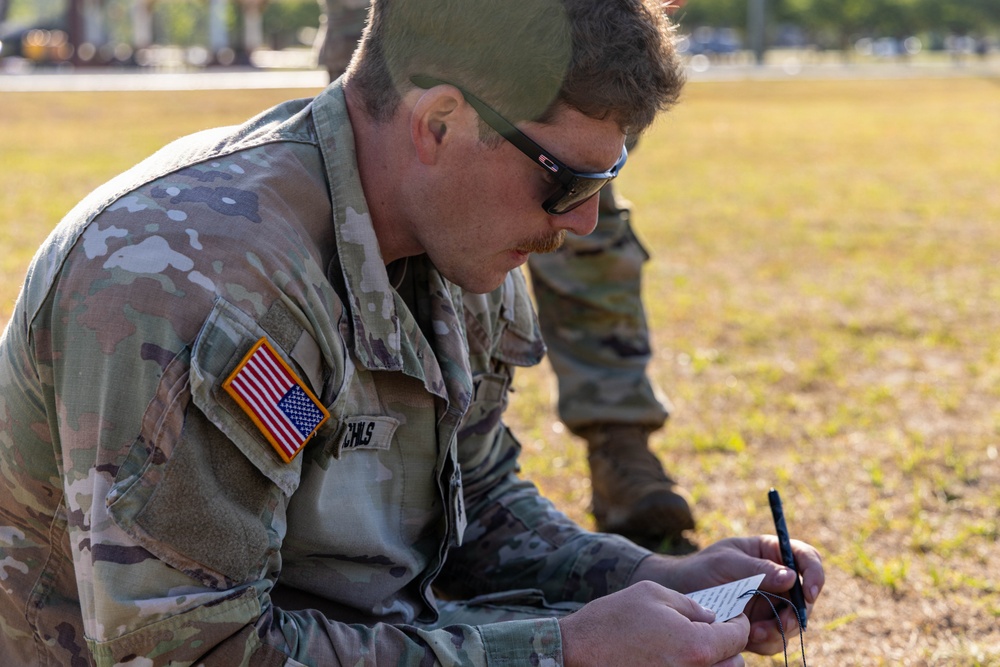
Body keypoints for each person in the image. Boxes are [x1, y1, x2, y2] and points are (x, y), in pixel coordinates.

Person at [0, 0, 824, 664]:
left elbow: (478, 505)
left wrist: (652, 574)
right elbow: (191, 650)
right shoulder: (191, 278)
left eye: (607, 177)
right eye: (568, 180)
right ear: (438, 124)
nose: (585, 220)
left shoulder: (460, 240)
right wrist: (562, 649)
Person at [315, 0, 695, 549]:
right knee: (388, 215)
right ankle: (352, 474)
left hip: (553, 32)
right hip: (428, 40)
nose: (577, 223)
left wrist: (642, 576)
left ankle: (616, 441)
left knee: (552, 218)